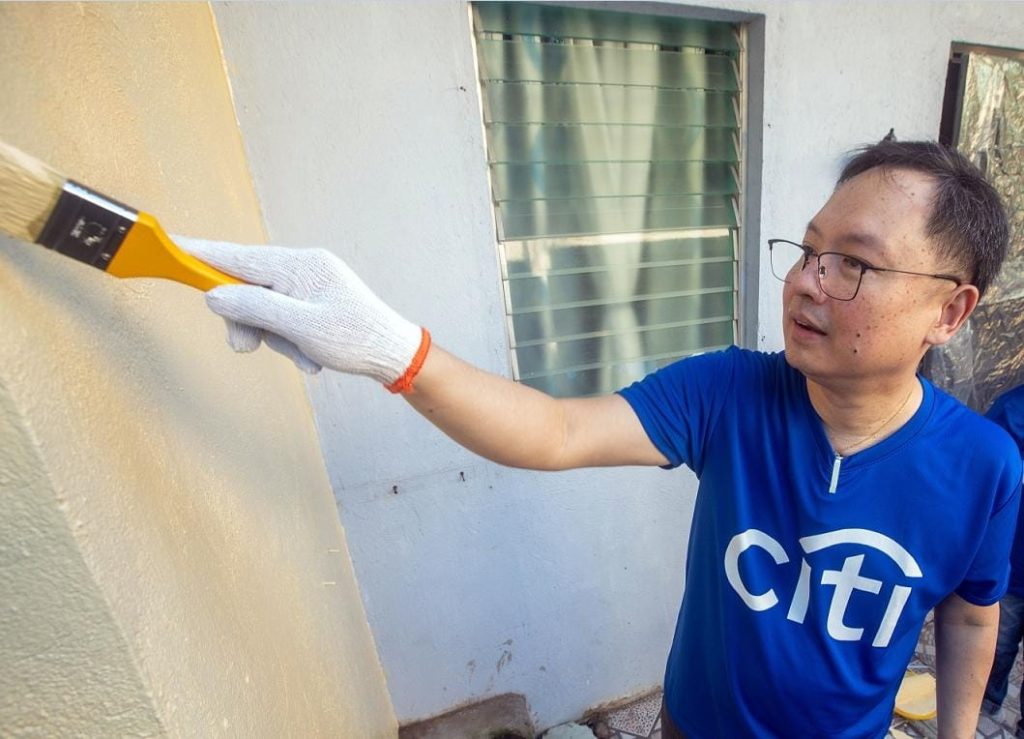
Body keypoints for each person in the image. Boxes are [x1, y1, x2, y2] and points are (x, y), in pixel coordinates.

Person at [182, 140, 1021, 738]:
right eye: (806, 251)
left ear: (949, 311)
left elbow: (971, 616)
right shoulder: (731, 391)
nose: (807, 280)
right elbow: (556, 430)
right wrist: (394, 350)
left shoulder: (983, 467)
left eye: (853, 264)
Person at [981, 385, 1024, 734]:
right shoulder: (1011, 410)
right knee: (998, 644)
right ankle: (987, 700)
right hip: (1012, 567)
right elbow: (980, 484)